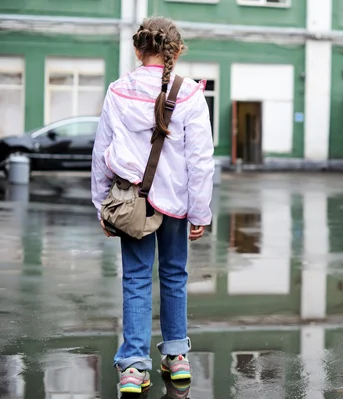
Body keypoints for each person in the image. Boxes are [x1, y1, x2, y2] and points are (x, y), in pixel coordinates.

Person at [91, 17, 214, 394]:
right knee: (175, 276)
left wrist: (101, 204)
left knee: (136, 279)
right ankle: (176, 357)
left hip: (133, 203)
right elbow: (201, 160)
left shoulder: (117, 90)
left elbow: (101, 151)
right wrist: (200, 211)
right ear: (175, 52)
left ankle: (132, 366)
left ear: (137, 49)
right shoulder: (190, 94)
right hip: (176, 202)